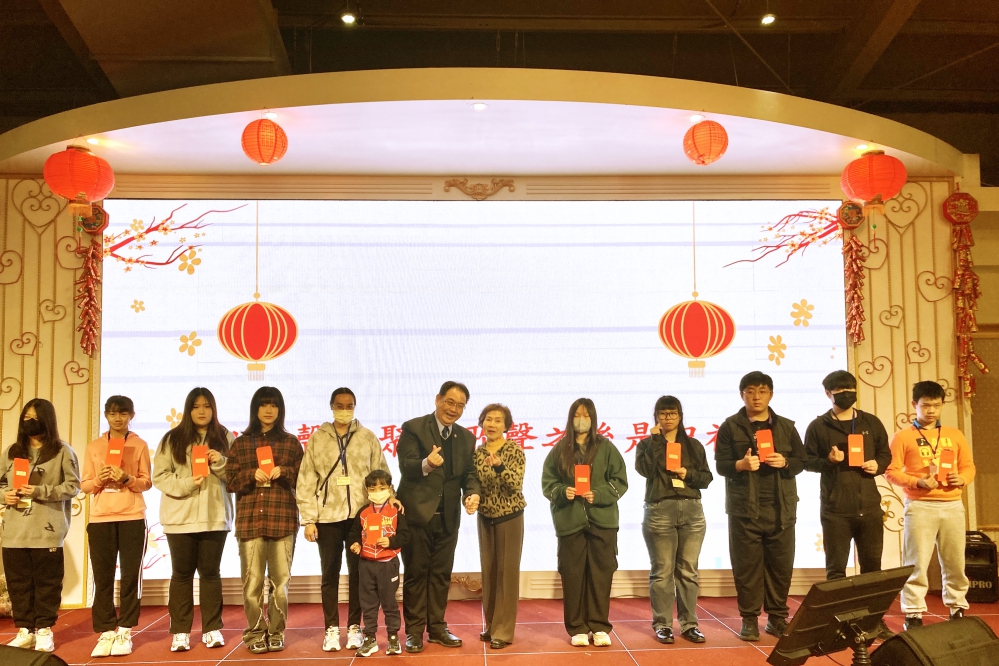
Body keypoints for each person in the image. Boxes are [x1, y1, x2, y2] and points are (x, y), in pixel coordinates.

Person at [296, 387, 394, 652]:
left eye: (349, 405)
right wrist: (308, 519)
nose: (344, 410)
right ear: (331, 406)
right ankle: (330, 628)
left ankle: (354, 627)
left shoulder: (367, 437)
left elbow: (382, 473)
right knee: (329, 573)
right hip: (327, 517)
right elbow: (306, 480)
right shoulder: (317, 439)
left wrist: (389, 501)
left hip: (361, 518)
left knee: (358, 576)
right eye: (339, 405)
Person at [715, 371, 806, 642]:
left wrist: (785, 462)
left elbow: (802, 461)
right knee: (747, 568)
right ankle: (750, 619)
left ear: (771, 395)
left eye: (762, 391)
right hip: (745, 509)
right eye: (751, 391)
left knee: (780, 566)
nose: (756, 396)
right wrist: (740, 465)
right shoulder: (730, 426)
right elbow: (721, 465)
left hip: (781, 509)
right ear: (742, 394)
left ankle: (777, 618)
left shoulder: (786, 426)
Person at [803, 371, 893, 640]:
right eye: (840, 390)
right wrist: (829, 461)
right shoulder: (818, 426)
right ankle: (835, 626)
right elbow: (807, 461)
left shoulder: (870, 422)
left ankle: (873, 622)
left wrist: (878, 465)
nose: (847, 394)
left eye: (850, 389)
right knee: (836, 572)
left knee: (872, 570)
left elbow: (885, 453)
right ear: (828, 394)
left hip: (870, 507)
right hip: (836, 511)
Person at [396, 381, 481, 653]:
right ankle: (413, 631)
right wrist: (427, 464)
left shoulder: (466, 438)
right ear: (437, 399)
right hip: (417, 516)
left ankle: (436, 627)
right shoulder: (414, 428)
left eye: (460, 406)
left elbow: (469, 474)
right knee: (416, 574)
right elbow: (406, 465)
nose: (453, 409)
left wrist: (472, 493)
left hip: (448, 518)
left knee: (441, 575)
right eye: (449, 402)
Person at [886, 381, 976, 631]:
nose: (931, 411)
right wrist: (917, 481)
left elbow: (968, 466)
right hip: (920, 505)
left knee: (955, 561)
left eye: (936, 405)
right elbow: (891, 471)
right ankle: (913, 613)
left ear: (942, 405)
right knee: (916, 562)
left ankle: (957, 607)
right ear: (914, 405)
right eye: (926, 405)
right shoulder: (903, 437)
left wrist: (962, 478)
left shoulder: (955, 435)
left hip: (952, 505)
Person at [541, 398, 628, 648]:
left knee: (601, 574)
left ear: (593, 418)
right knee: (572, 575)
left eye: (586, 415)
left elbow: (620, 481)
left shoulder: (606, 448)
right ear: (571, 418)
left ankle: (599, 626)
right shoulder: (559, 449)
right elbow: (548, 483)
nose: (581, 420)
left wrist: (598, 494)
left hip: (603, 522)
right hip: (570, 522)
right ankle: (577, 627)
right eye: (577, 415)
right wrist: (562, 491)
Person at [153, 387, 234, 653]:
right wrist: (188, 483)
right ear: (188, 410)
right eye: (196, 406)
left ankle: (212, 629)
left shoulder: (225, 436)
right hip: (180, 518)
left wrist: (219, 461)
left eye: (207, 406)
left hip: (214, 517)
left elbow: (236, 476)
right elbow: (160, 477)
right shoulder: (172, 438)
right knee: (181, 574)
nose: (202, 411)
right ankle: (180, 632)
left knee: (210, 574)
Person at [225, 387, 303, 653]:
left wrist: (285, 471)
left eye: (274, 405)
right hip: (250, 522)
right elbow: (230, 481)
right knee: (252, 584)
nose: (269, 410)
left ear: (280, 410)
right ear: (255, 409)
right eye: (263, 405)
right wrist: (251, 474)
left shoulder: (291, 442)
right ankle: (255, 632)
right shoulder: (241, 443)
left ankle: (276, 631)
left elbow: (304, 478)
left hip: (283, 520)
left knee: (281, 584)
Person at [0, 398, 81, 653]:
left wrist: (40, 491)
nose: (30, 422)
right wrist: (5, 496)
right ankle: (25, 630)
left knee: (47, 584)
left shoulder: (62, 451)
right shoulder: (12, 452)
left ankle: (44, 629)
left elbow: (73, 486)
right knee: (18, 584)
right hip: (14, 532)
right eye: (26, 417)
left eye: (35, 417)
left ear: (47, 420)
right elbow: (1, 484)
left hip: (47, 531)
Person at [635, 395, 712, 645]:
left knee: (688, 572)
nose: (668, 418)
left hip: (691, 509)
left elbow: (706, 479)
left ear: (680, 416)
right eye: (663, 413)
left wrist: (687, 473)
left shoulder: (694, 446)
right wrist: (656, 441)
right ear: (656, 416)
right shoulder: (646, 444)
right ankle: (663, 625)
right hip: (660, 509)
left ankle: (689, 625)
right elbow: (645, 470)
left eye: (673, 413)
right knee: (662, 572)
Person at [81, 395, 152, 657]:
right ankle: (106, 631)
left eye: (123, 413)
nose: (118, 418)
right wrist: (99, 480)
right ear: (105, 415)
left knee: (131, 576)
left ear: (131, 415)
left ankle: (125, 630)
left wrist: (126, 478)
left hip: (132, 516)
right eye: (112, 413)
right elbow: (85, 486)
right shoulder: (94, 446)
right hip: (101, 519)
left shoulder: (140, 445)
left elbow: (146, 482)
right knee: (102, 577)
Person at [474, 404, 527, 650]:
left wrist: (499, 467)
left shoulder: (514, 450)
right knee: (489, 571)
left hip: (510, 517)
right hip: (485, 517)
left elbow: (515, 484)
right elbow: (472, 483)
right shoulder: (477, 452)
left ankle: (504, 631)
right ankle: (491, 625)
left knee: (507, 573)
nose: (492, 424)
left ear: (506, 426)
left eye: (497, 420)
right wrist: (470, 498)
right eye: (488, 419)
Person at [348, 469, 410, 657]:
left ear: (390, 488)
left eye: (382, 488)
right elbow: (354, 533)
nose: (377, 492)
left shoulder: (396, 510)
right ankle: (369, 638)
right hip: (366, 564)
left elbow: (405, 535)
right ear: (367, 490)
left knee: (389, 602)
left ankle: (393, 637)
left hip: (388, 564)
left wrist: (391, 542)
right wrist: (355, 544)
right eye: (372, 489)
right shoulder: (363, 512)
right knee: (368, 603)